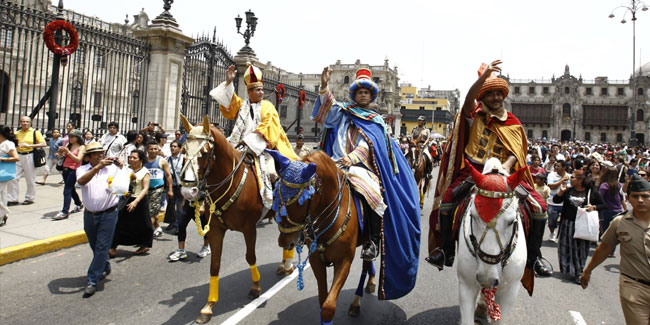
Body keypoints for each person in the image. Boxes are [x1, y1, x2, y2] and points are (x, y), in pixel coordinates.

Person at [427, 60, 549, 285]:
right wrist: (484, 79)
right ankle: (445, 251)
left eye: (498, 93)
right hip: (473, 172)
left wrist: (507, 167)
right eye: (490, 94)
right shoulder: (474, 117)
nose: (495, 97)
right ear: (483, 98)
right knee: (447, 202)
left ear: (503, 96)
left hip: (504, 174)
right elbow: (468, 98)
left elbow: (516, 152)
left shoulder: (513, 124)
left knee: (539, 206)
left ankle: (534, 257)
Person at [312, 65, 420, 300]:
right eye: (359, 92)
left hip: (360, 167)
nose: (363, 95)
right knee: (311, 186)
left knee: (371, 193)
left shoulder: (377, 121)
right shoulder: (343, 112)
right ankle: (306, 231)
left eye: (366, 93)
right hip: (335, 162)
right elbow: (326, 112)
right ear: (354, 95)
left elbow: (368, 146)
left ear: (371, 96)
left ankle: (371, 239)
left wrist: (352, 159)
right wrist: (323, 86)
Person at [209, 63, 299, 210]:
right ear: (249, 91)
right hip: (239, 146)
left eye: (262, 90)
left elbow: (268, 126)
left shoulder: (268, 106)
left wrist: (249, 143)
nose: (261, 93)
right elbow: (228, 106)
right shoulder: (242, 105)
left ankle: (279, 204)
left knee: (271, 173)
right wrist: (229, 82)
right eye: (258, 90)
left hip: (263, 149)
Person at [580, 174, 650, 325]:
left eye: (645, 196)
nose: (640, 200)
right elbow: (605, 247)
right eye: (635, 196)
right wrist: (588, 270)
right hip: (634, 287)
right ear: (628, 199)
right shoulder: (619, 222)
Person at [76, 142, 120, 297]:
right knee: (95, 245)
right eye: (96, 154)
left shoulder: (112, 169)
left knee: (102, 246)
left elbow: (130, 177)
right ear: (88, 158)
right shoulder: (82, 169)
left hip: (108, 213)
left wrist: (122, 167)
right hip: (90, 214)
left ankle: (92, 280)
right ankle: (105, 265)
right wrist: (97, 168)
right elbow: (81, 182)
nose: (101, 156)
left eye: (102, 153)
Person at [553, 169, 605, 284]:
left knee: (580, 249)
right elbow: (556, 200)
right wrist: (561, 192)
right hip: (567, 223)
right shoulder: (568, 190)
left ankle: (579, 272)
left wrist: (594, 207)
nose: (570, 179)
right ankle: (568, 270)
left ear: (581, 179)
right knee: (565, 247)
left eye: (573, 177)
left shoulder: (591, 192)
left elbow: (603, 205)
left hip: (582, 225)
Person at [109, 150, 152, 257]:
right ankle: (112, 247)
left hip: (139, 200)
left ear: (141, 160)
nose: (131, 159)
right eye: (130, 157)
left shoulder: (144, 172)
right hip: (126, 199)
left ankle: (143, 245)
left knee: (144, 225)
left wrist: (136, 202)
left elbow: (145, 188)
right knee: (119, 223)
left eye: (134, 158)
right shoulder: (126, 169)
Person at [8, 116, 46, 206]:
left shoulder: (35, 132)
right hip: (18, 156)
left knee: (30, 178)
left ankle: (29, 198)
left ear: (30, 123)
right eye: (23, 121)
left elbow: (43, 143)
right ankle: (13, 198)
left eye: (27, 122)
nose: (25, 123)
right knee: (13, 178)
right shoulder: (16, 133)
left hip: (30, 155)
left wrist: (29, 145)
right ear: (20, 123)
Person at [53, 130, 86, 220]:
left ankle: (65, 211)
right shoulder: (68, 145)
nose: (70, 139)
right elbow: (62, 156)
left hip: (74, 170)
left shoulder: (82, 147)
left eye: (72, 137)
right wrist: (60, 153)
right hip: (65, 168)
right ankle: (79, 203)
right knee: (71, 189)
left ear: (78, 137)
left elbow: (78, 159)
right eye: (70, 137)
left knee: (67, 189)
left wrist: (68, 152)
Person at [144, 141, 173, 237]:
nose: (153, 151)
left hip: (158, 190)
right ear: (147, 150)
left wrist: (170, 189)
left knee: (151, 212)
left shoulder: (162, 161)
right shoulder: (144, 161)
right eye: (151, 149)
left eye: (155, 149)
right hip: (145, 190)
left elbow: (168, 175)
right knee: (151, 211)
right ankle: (157, 227)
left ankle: (145, 234)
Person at [597, 162, 624, 257]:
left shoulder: (604, 185)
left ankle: (607, 250)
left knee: (605, 232)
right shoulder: (619, 185)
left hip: (606, 210)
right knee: (614, 233)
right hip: (617, 211)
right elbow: (622, 199)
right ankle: (612, 251)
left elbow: (600, 198)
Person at [0, 126, 19, 227]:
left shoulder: (8, 144)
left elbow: (16, 158)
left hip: (2, 173)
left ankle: (3, 213)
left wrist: (2, 159)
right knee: (2, 195)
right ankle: (3, 215)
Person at [164, 140, 184, 233]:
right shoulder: (167, 159)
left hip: (180, 186)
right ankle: (172, 222)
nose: (172, 148)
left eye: (175, 146)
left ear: (180, 149)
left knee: (180, 207)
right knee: (171, 205)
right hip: (171, 186)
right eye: (171, 146)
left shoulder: (184, 159)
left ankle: (179, 225)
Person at [547, 160, 569, 242]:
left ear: (564, 167)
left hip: (565, 203)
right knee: (552, 220)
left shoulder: (569, 176)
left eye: (558, 166)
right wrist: (562, 180)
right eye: (555, 166)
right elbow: (551, 186)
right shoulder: (552, 175)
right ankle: (552, 232)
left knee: (565, 222)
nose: (556, 167)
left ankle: (562, 236)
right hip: (553, 203)